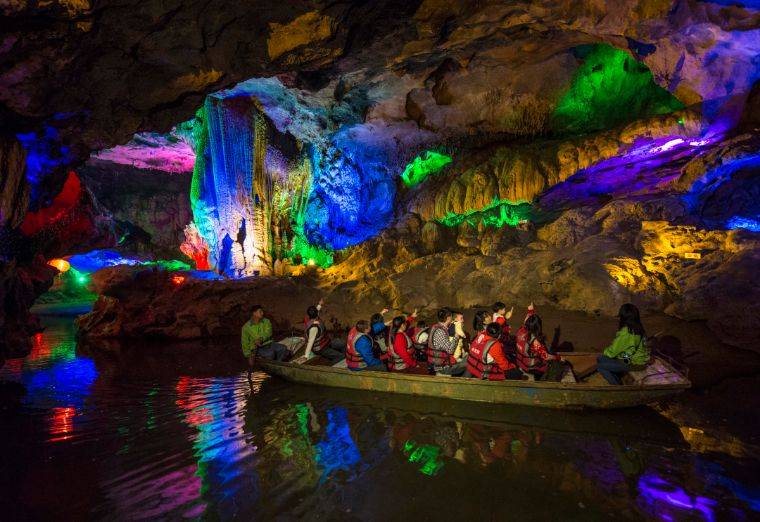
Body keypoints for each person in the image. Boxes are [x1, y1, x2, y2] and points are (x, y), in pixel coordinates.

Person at [597, 303, 650, 385]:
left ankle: (617, 386)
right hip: (636, 360)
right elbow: (628, 350)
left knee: (600, 366)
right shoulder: (638, 328)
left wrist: (607, 353)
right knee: (601, 358)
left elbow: (613, 352)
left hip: (634, 363)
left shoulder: (627, 332)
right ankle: (619, 375)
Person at [241, 305, 291, 370]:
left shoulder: (266, 321)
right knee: (270, 354)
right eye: (260, 312)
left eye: (262, 311)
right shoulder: (246, 327)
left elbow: (269, 333)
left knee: (283, 348)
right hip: (256, 348)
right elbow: (245, 342)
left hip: (269, 344)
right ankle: (271, 366)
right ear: (254, 313)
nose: (262, 313)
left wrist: (261, 339)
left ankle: (278, 365)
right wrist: (248, 355)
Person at [515, 313, 562, 380]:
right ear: (538, 327)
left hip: (520, 363)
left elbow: (527, 320)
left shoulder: (521, 330)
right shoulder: (535, 342)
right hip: (531, 368)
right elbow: (546, 357)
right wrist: (558, 358)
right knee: (551, 364)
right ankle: (539, 379)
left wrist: (530, 311)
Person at [427, 308, 467, 376]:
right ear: (448, 318)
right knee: (470, 364)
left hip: (439, 363)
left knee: (467, 361)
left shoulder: (436, 327)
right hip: (442, 367)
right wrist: (457, 335)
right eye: (451, 317)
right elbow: (450, 350)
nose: (452, 319)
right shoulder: (440, 331)